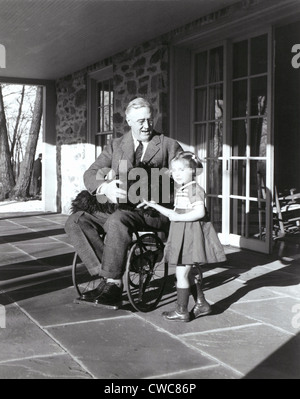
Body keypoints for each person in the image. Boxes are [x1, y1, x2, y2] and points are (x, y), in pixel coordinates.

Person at [65, 97, 182, 307]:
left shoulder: (168, 145)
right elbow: (90, 173)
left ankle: (114, 283)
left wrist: (160, 191)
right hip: (122, 208)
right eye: (140, 121)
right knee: (76, 220)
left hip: (152, 212)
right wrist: (104, 188)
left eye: (149, 120)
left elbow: (186, 180)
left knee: (117, 220)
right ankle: (109, 275)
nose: (147, 126)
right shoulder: (117, 145)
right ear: (128, 120)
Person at [138, 151, 227, 322]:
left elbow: (199, 212)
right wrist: (154, 205)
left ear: (192, 170)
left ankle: (182, 310)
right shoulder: (183, 189)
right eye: (174, 170)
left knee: (181, 275)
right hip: (182, 234)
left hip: (190, 237)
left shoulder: (194, 189)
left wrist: (178, 217)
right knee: (188, 273)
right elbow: (174, 213)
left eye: (181, 170)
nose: (176, 174)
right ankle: (202, 304)